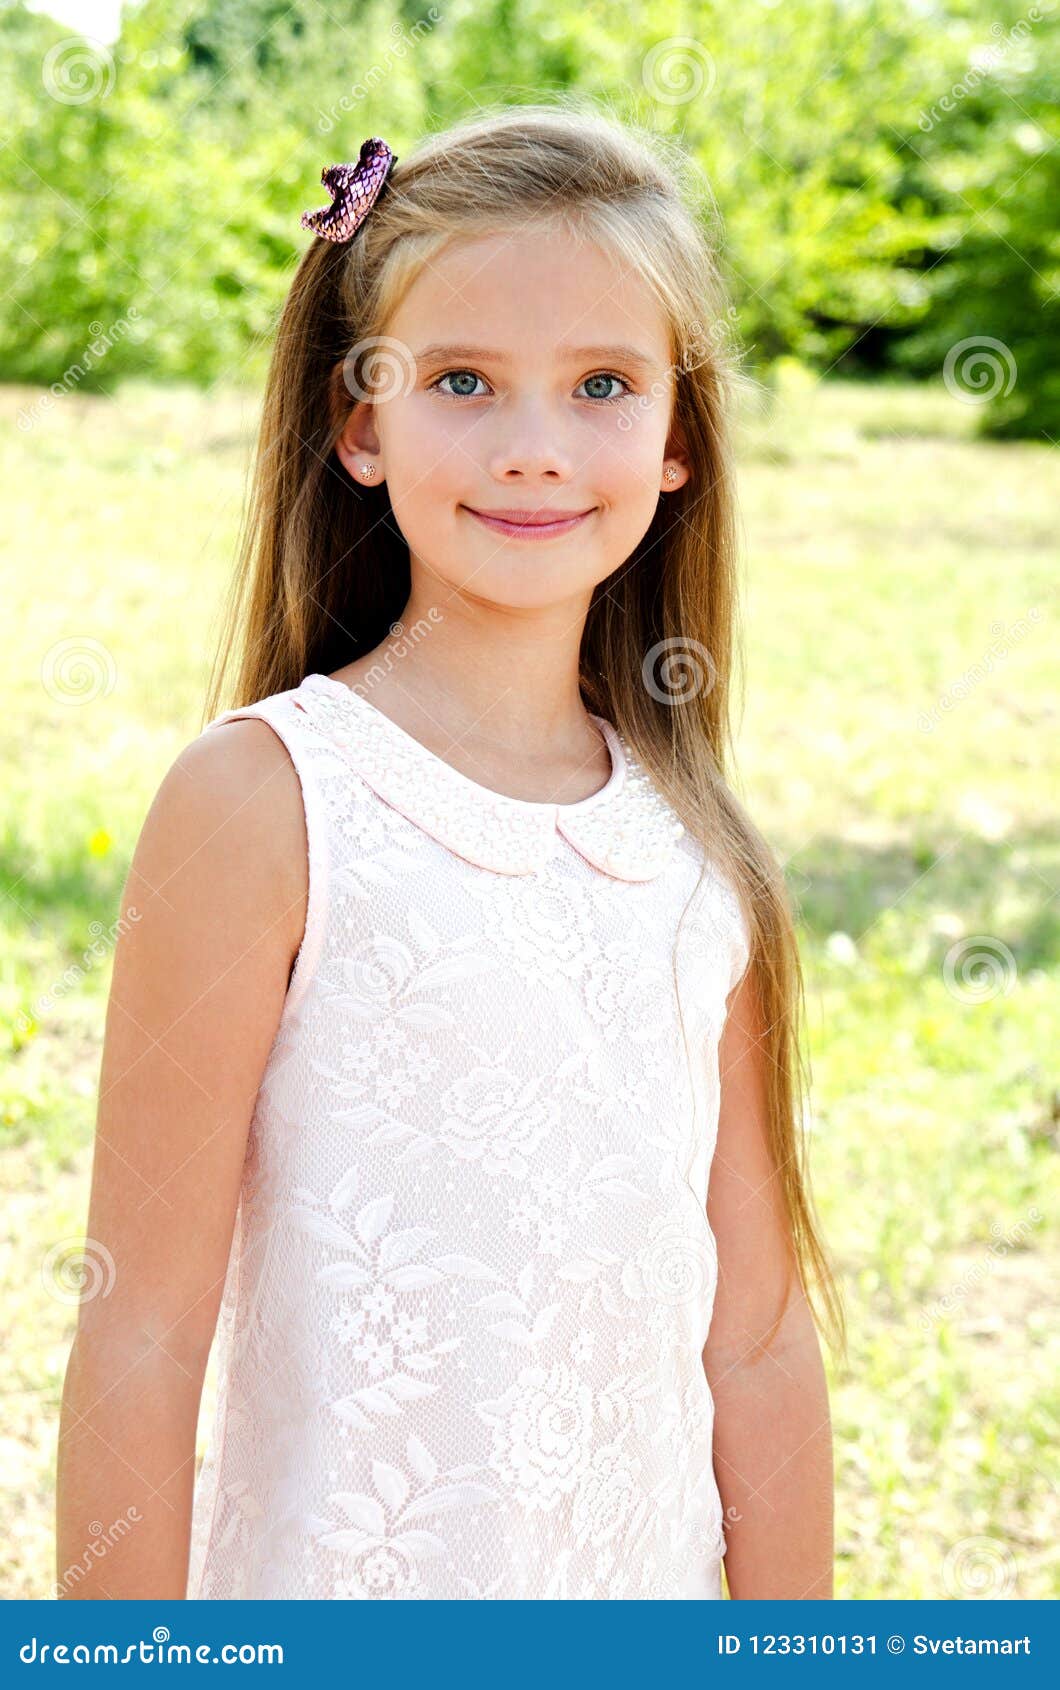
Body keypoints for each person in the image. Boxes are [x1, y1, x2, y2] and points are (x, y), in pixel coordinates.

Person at [56, 102, 843, 1601]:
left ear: (677, 437)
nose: (535, 449)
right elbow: (143, 1330)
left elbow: (753, 1336)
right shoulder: (267, 801)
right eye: (465, 381)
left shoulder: (694, 846)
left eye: (602, 384)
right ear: (363, 420)